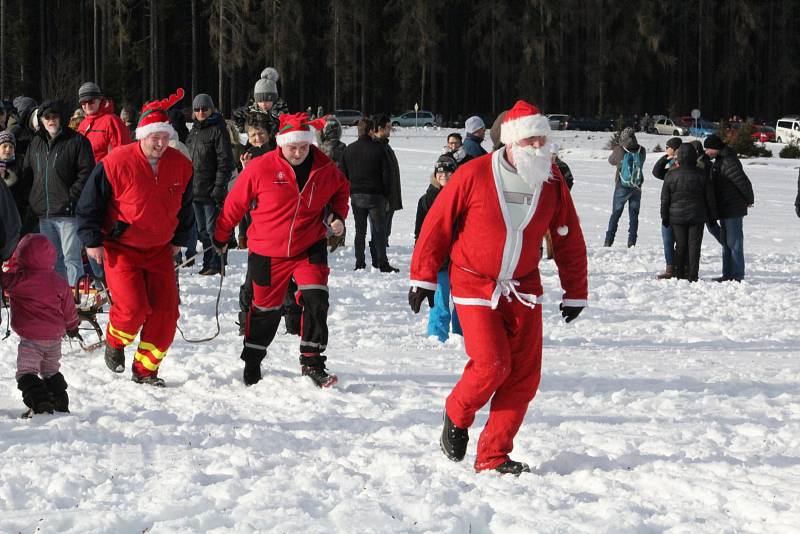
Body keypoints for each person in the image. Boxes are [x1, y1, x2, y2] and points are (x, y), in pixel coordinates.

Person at [409, 100, 588, 475]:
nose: (538, 147)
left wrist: (575, 290)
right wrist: (423, 278)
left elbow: (567, 235)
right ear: (511, 141)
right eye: (530, 140)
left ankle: (493, 455)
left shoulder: (551, 181)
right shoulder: (474, 173)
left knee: (524, 375)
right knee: (492, 364)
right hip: (474, 281)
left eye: (542, 139)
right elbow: (438, 225)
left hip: (523, 287)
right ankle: (457, 412)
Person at [212, 112, 350, 388]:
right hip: (266, 249)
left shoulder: (323, 167)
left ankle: (312, 360)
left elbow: (341, 189)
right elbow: (235, 205)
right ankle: (253, 361)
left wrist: (337, 215)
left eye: (302, 147)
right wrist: (221, 236)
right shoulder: (260, 167)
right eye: (292, 147)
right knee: (265, 309)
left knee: (316, 298)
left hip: (308, 245)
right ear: (281, 144)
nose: (297, 153)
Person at [76, 88, 194, 387]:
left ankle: (145, 370)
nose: (160, 143)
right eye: (155, 137)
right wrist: (92, 240)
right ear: (142, 135)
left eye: (165, 137)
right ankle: (115, 341)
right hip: (122, 248)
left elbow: (186, 206)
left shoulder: (180, 164)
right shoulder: (116, 162)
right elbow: (89, 204)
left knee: (166, 313)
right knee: (133, 308)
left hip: (159, 250)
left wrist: (181, 238)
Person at [1, 234, 80, 415]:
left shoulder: (19, 280)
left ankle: (40, 402)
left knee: (26, 373)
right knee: (51, 371)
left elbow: (3, 280)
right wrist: (72, 326)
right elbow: (68, 308)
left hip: (31, 340)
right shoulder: (58, 281)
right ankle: (59, 399)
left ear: (21, 256)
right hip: (55, 339)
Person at [21, 100, 95, 285]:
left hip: (68, 212)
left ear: (61, 118)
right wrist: (32, 199)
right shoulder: (35, 143)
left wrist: (71, 198)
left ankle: (74, 301)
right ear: (42, 120)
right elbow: (27, 174)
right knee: (52, 261)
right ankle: (58, 299)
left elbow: (87, 173)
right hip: (44, 213)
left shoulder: (77, 141)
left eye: (55, 116)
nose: (51, 120)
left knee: (72, 258)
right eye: (47, 117)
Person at [414, 153, 462, 342]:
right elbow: (420, 234)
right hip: (439, 260)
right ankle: (437, 335)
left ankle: (461, 334)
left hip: (459, 259)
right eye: (440, 172)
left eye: (449, 172)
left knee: (461, 300)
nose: (444, 176)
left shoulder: (461, 197)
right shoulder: (426, 200)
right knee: (440, 300)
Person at [185, 93, 234, 276]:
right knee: (201, 230)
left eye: (205, 109)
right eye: (197, 109)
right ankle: (208, 260)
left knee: (213, 229)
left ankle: (217, 261)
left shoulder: (218, 130)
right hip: (195, 190)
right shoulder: (194, 131)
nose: (201, 112)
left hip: (211, 189)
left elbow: (225, 161)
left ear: (211, 109)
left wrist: (219, 186)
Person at [341, 117, 397, 272]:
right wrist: (386, 194)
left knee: (360, 231)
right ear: (371, 130)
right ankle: (382, 262)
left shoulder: (349, 149)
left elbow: (342, 174)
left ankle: (359, 262)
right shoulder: (379, 149)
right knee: (379, 231)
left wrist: (350, 190)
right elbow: (387, 174)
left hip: (356, 195)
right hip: (375, 195)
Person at [660, 144, 717, 282]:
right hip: (697, 215)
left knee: (680, 245)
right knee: (694, 246)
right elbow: (710, 198)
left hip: (677, 216)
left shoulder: (671, 174)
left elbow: (665, 198)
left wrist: (665, 216)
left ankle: (679, 273)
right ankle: (692, 275)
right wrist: (712, 216)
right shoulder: (701, 174)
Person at [702, 134, 754, 282]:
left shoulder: (729, 161)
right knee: (726, 243)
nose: (707, 152)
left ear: (716, 148)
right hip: (724, 207)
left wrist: (749, 199)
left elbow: (742, 182)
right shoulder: (719, 160)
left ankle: (737, 275)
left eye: (708, 149)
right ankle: (727, 274)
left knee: (734, 243)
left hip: (733, 208)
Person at [604, 127, 646, 248]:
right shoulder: (641, 150)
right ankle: (632, 242)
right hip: (637, 186)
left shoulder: (619, 150)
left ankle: (608, 240)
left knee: (616, 213)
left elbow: (611, 161)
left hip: (622, 185)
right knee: (634, 215)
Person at [76, 82, 132, 163]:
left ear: (99, 99)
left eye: (91, 101)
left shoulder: (112, 121)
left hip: (104, 173)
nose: (87, 105)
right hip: (86, 174)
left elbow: (123, 153)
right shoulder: (83, 124)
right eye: (83, 102)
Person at [652, 137, 682, 278]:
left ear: (674, 148)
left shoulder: (682, 164)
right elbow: (657, 172)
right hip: (669, 208)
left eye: (667, 147)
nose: (666, 149)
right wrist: (666, 157)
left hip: (679, 209)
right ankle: (670, 268)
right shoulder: (671, 164)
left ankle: (679, 268)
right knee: (668, 240)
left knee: (677, 241)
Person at [232, 67, 289, 137]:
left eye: (267, 100)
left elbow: (287, 127)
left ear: (274, 99)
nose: (264, 104)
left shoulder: (280, 113)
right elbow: (237, 117)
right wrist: (244, 129)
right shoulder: (250, 111)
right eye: (260, 101)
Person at [372, 114, 402, 248]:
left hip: (390, 196)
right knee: (379, 229)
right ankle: (378, 253)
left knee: (385, 229)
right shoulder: (376, 146)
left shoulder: (385, 146)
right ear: (380, 128)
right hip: (381, 198)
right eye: (388, 127)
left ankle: (383, 247)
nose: (391, 129)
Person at [0, 131, 30, 236]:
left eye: (11, 146)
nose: (8, 150)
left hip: (15, 215)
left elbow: (25, 193)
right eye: (4, 146)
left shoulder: (21, 165)